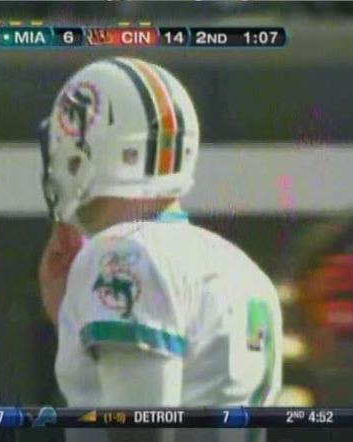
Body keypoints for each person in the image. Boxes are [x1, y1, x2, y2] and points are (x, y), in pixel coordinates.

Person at [37, 57, 283, 442]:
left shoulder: (120, 254)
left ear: (82, 157)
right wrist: (70, 318)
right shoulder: (244, 270)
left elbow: (141, 426)